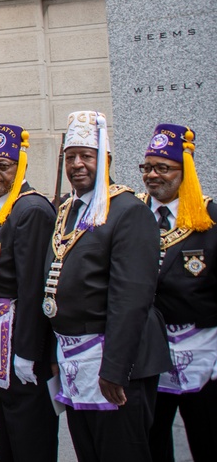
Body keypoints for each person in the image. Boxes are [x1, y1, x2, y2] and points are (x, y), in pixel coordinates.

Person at [42, 111, 170, 461]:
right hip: (74, 360)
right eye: (71, 157)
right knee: (89, 452)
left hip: (113, 365)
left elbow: (131, 299)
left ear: (106, 160)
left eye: (87, 156)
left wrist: (115, 370)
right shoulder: (68, 210)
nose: (77, 165)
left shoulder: (128, 211)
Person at [0, 124, 58, 461]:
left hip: (22, 351)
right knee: (8, 438)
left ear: (20, 165)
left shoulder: (31, 210)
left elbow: (32, 287)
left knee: (30, 440)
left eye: (3, 165)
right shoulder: (1, 209)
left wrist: (28, 352)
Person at [139, 124, 217, 461]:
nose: (153, 176)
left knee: (207, 439)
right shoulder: (132, 214)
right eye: (147, 168)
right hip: (149, 355)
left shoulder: (210, 216)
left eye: (162, 168)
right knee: (153, 442)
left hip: (203, 355)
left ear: (184, 171)